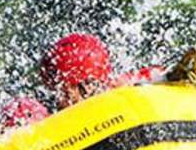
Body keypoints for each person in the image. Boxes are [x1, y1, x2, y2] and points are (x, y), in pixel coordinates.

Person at [38, 33, 168, 111]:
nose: (57, 101)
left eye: (60, 91)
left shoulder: (124, 87)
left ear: (81, 86)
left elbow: (161, 75)